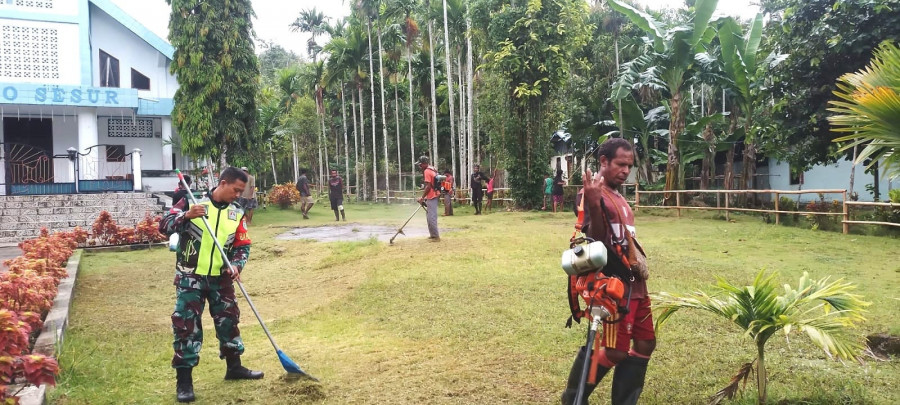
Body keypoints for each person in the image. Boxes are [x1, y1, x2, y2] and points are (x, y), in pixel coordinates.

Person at [561, 138, 654, 405]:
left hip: (636, 284)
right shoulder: (591, 192)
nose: (626, 171)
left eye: (629, 166)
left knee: (646, 343)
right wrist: (592, 202)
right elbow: (595, 241)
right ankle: (573, 398)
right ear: (604, 162)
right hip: (614, 285)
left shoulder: (619, 194)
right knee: (614, 352)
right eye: (620, 164)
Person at [159, 167, 264, 403]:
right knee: (186, 327)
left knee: (229, 322)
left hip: (221, 279)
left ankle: (234, 367)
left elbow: (242, 245)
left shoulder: (237, 212)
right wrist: (186, 216)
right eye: (236, 190)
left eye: (241, 191)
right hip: (190, 279)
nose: (238, 194)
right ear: (223, 183)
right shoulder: (191, 201)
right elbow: (163, 225)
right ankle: (184, 383)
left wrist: (237, 265)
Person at [416, 156, 440, 241]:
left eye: (420, 164)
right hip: (434, 194)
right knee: (429, 215)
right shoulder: (432, 169)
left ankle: (436, 236)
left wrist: (422, 198)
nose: (419, 166)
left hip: (432, 195)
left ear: (424, 163)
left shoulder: (426, 171)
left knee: (431, 216)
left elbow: (429, 187)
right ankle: (433, 235)